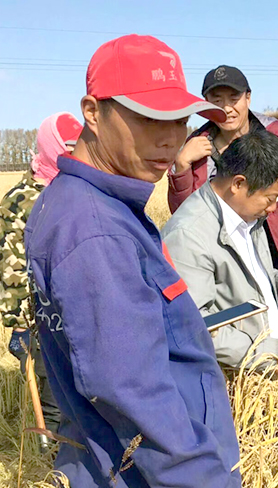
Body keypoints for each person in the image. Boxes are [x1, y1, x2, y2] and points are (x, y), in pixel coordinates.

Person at [24, 35, 241, 487]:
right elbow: (135, 395)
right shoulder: (95, 230)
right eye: (149, 118)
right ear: (92, 112)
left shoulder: (86, 204)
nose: (170, 139)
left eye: (180, 120)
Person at [167, 65, 278, 354]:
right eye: (216, 100)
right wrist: (180, 166)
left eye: (234, 99)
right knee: (236, 330)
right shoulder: (196, 146)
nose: (227, 108)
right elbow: (186, 215)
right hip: (225, 255)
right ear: (205, 105)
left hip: (275, 253)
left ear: (248, 98)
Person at [162, 131, 278, 375]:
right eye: (270, 198)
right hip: (227, 383)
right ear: (238, 184)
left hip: (258, 374)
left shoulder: (247, 218)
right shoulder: (188, 235)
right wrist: (262, 352)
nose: (274, 207)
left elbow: (237, 286)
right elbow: (191, 324)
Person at [2, 112, 83, 437]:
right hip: (42, 321)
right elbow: (11, 265)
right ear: (49, 147)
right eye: (66, 147)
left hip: (76, 312)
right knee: (54, 399)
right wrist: (19, 324)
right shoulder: (21, 201)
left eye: (77, 147)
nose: (71, 154)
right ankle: (51, 458)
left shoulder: (77, 189)